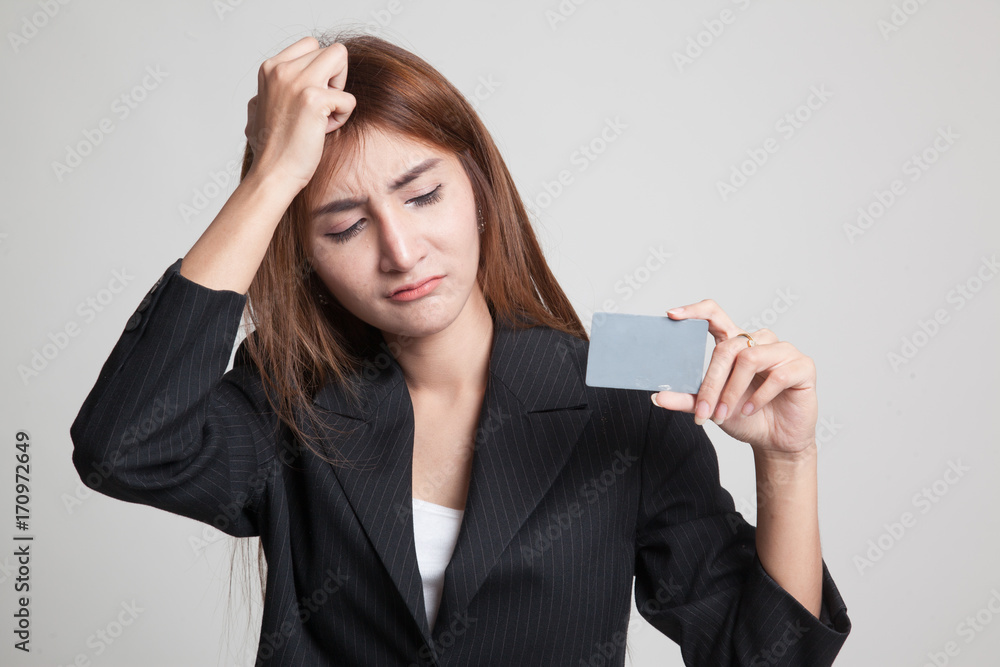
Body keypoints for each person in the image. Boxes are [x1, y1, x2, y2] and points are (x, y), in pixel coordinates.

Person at [70, 28, 852, 666]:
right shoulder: (288, 397)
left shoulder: (626, 396)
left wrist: (786, 461)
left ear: (478, 188)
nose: (401, 250)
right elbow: (122, 449)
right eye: (344, 225)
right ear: (303, 250)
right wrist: (271, 178)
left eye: (423, 194)